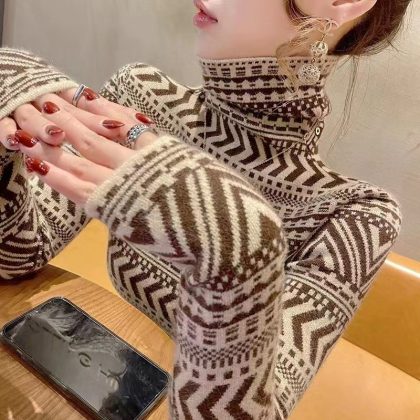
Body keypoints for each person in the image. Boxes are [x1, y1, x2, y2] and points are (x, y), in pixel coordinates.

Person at [0, 0, 411, 418]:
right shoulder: (140, 100)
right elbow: (16, 258)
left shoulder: (355, 216)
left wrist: (240, 251)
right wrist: (7, 142)